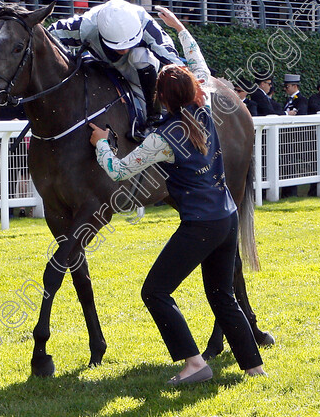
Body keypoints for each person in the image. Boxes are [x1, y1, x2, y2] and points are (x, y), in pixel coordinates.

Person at [88, 46, 265, 384]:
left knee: (154, 292)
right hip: (226, 216)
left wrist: (101, 143)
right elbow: (200, 64)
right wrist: (180, 30)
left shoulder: (162, 138)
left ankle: (195, 364)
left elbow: (120, 170)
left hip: (201, 224)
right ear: (193, 89)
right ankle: (254, 367)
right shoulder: (206, 109)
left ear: (162, 98)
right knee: (221, 294)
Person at [50, 0, 186, 135]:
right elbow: (51, 34)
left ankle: (154, 117)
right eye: (120, 48)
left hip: (139, 71)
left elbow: (167, 52)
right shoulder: (86, 24)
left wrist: (186, 80)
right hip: (102, 67)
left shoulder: (143, 19)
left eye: (128, 45)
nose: (125, 50)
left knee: (140, 56)